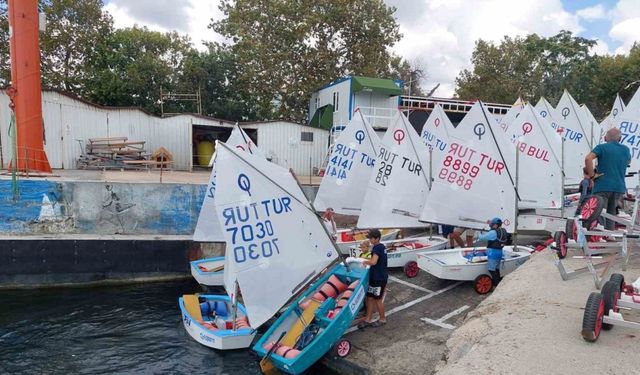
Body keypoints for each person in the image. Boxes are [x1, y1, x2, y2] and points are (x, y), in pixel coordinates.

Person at [584, 128, 631, 231]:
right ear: (620, 138)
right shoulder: (626, 150)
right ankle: (610, 234)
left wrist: (592, 175)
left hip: (602, 185)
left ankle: (599, 234)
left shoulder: (601, 147)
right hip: (619, 187)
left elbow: (588, 159)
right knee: (611, 213)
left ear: (605, 138)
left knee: (600, 211)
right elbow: (628, 162)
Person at [358, 229, 387, 328]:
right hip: (375, 277)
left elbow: (374, 262)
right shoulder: (381, 247)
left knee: (378, 299)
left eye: (371, 238)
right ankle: (368, 319)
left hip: (379, 278)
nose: (370, 240)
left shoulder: (377, 248)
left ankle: (382, 319)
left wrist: (364, 261)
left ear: (377, 238)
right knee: (370, 298)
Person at [476, 218, 508, 287]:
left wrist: (478, 232)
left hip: (492, 253)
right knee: (496, 269)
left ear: (495, 225)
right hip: (500, 252)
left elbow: (481, 238)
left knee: (491, 270)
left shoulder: (493, 232)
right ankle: (499, 282)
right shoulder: (503, 230)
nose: (490, 225)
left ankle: (497, 285)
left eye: (492, 224)